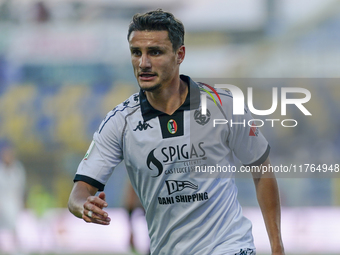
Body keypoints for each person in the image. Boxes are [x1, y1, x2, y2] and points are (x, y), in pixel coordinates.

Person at [68, 10, 284, 255]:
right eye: (136, 53)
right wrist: (83, 205)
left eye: (155, 52)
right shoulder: (120, 122)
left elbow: (262, 169)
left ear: (179, 54)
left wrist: (277, 246)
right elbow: (79, 191)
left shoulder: (223, 106)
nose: (143, 63)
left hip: (230, 247)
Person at [0, 140, 26, 254]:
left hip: (13, 204)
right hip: (2, 203)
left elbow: (21, 188)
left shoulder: (18, 169)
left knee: (14, 228)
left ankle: (16, 250)